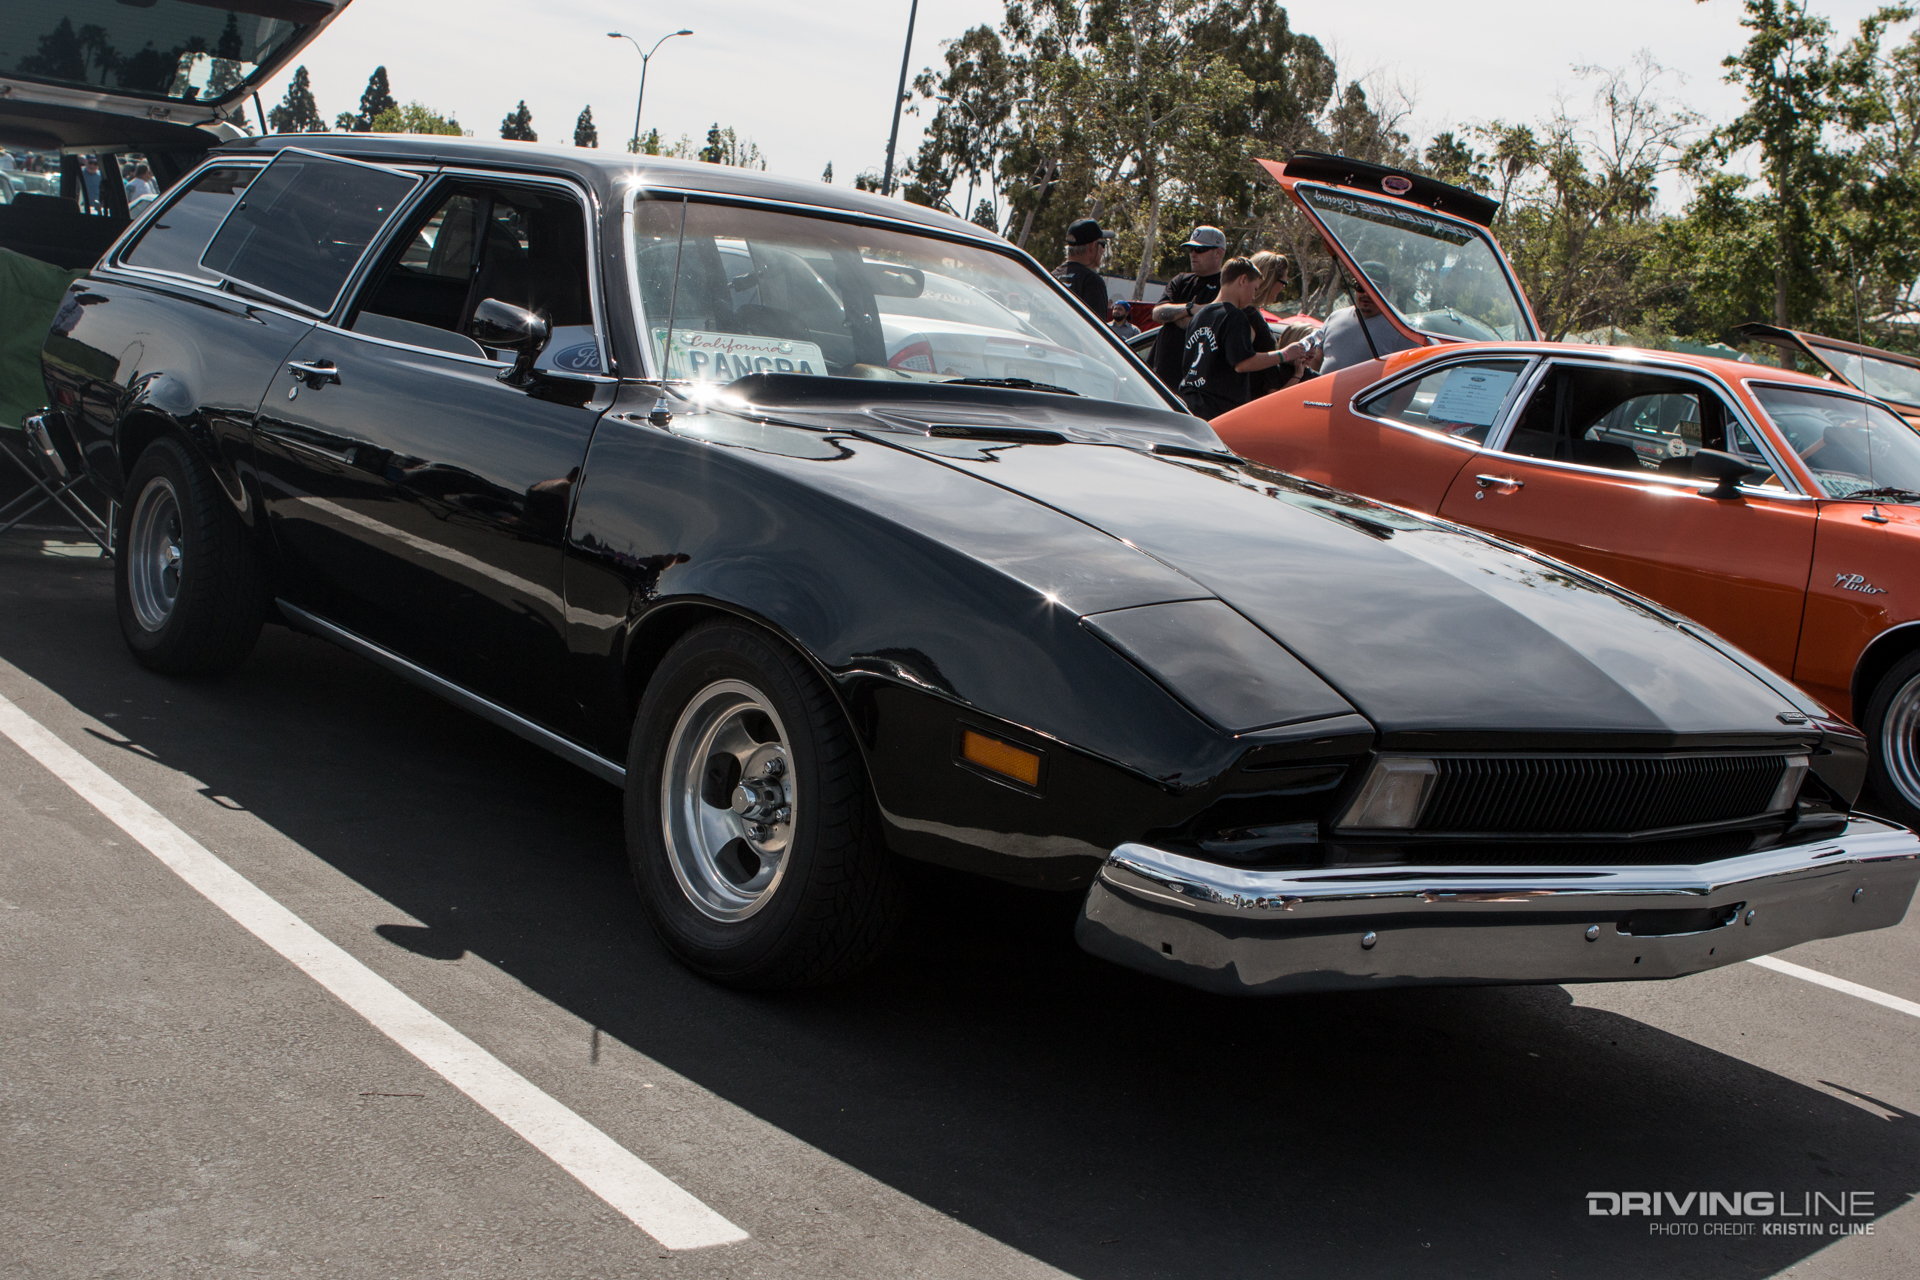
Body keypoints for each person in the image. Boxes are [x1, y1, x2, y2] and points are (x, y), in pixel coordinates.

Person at [1177, 257, 1286, 420]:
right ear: (1243, 280)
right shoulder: (1235, 316)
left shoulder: (1199, 316)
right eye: (1255, 289)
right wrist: (1285, 354)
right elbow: (1242, 363)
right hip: (1219, 411)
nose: (1254, 297)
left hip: (1190, 404)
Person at [1148, 225, 1227, 387]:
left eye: (1199, 249)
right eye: (1191, 249)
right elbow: (1157, 313)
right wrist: (1190, 309)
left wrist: (1173, 317)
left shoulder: (1224, 287)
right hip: (1160, 374)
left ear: (1218, 253)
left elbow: (1206, 326)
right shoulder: (1181, 280)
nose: (1193, 254)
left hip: (1193, 382)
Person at [1318, 259, 1418, 373]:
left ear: (1388, 290)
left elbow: (1412, 376)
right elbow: (1316, 358)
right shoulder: (1334, 318)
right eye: (1360, 286)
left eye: (1373, 288)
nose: (1366, 293)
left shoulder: (1403, 328)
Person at [1052, 218, 1113, 316]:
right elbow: (1096, 323)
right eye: (1102, 244)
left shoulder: (1051, 276)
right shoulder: (1091, 281)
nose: (1102, 250)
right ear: (1093, 247)